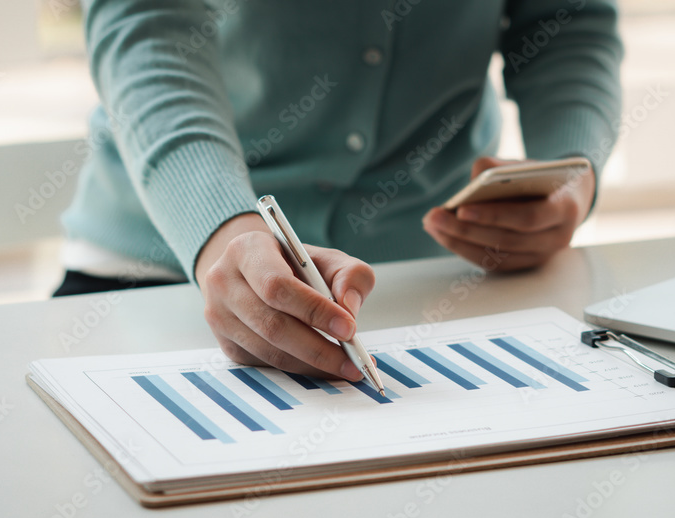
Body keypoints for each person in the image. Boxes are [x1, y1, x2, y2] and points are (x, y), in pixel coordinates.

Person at [55, 0, 623, 384]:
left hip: (442, 282)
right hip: (150, 277)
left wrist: (572, 171)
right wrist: (221, 228)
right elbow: (148, 35)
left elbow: (567, 22)